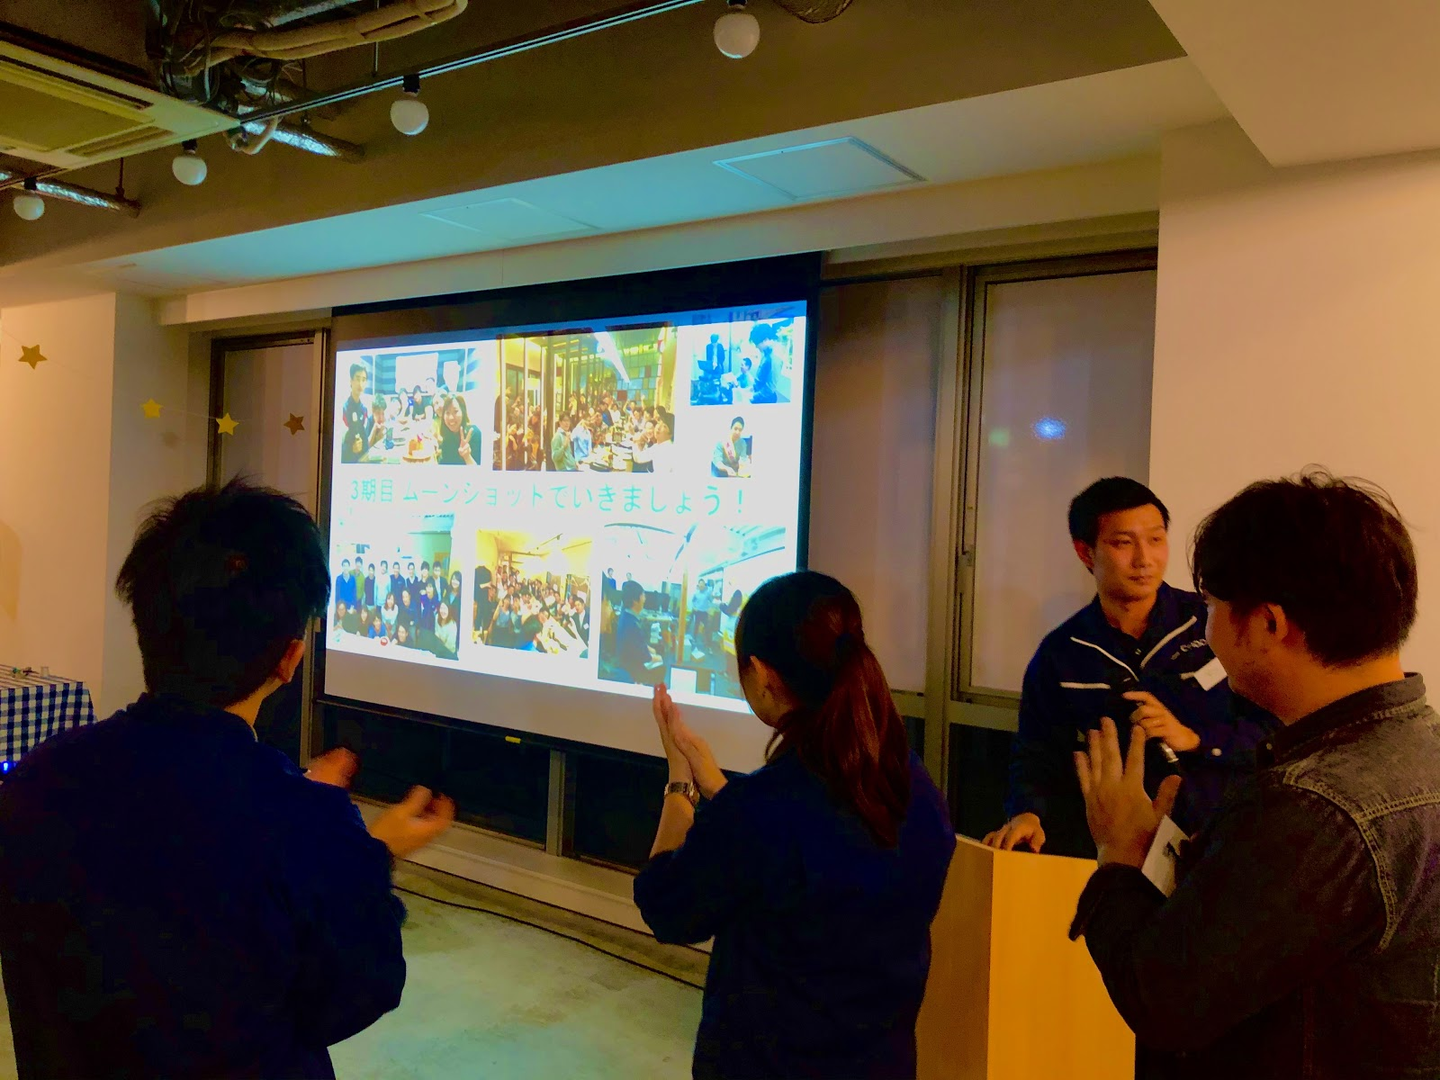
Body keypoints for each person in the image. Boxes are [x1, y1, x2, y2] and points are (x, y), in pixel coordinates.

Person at [0, 479, 455, 1080]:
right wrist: (362, 854)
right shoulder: (306, 822)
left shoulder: (33, 783)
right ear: (289, 660)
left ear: (146, 624)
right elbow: (352, 996)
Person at [1069, 471, 1438, 1079]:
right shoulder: (1423, 747)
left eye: (1213, 608)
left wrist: (1121, 856)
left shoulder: (1312, 808)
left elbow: (1164, 1002)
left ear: (1268, 624)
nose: (1207, 628)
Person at [634, 571, 956, 1079]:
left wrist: (680, 782)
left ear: (763, 674)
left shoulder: (762, 811)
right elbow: (814, 839)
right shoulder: (914, 788)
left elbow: (665, 906)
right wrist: (719, 785)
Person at [983, 477, 1275, 859]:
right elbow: (1036, 754)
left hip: (1217, 840)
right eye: (1123, 543)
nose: (1144, 559)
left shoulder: (1210, 621)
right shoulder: (1063, 652)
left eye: (1155, 539)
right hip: (1111, 850)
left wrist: (1195, 738)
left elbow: (1273, 729)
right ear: (1086, 552)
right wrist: (1028, 813)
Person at [614, 579, 653, 684]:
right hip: (632, 673)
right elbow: (644, 656)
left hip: (627, 665)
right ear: (635, 600)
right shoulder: (631, 624)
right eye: (643, 595)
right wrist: (657, 657)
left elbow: (637, 643)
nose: (645, 599)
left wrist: (649, 649)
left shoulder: (627, 616)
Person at [436, 395, 483, 466]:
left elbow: (481, 471)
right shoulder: (448, 434)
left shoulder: (475, 434)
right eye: (447, 413)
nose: (451, 417)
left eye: (455, 411)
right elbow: (445, 460)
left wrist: (467, 457)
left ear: (463, 412)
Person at [339, 363, 372, 463]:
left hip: (363, 460)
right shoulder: (344, 409)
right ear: (351, 381)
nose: (360, 384)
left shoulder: (364, 410)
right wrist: (351, 449)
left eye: (363, 380)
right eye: (357, 379)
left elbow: (365, 440)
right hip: (348, 463)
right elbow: (337, 446)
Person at [748, 323, 780, 405]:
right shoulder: (766, 353)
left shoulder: (774, 357)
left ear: (765, 340)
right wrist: (752, 388)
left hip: (765, 399)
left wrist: (752, 396)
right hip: (759, 395)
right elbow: (761, 376)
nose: (756, 346)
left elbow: (770, 388)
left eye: (756, 343)